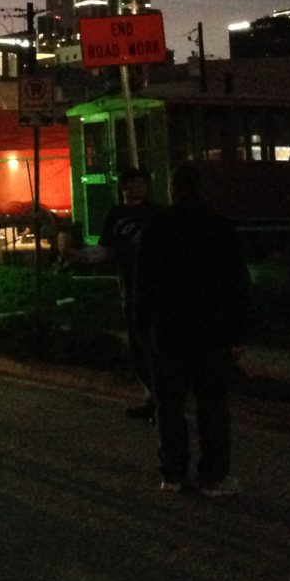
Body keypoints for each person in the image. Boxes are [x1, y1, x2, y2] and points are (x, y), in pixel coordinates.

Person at [133, 163, 251, 496]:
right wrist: (238, 333)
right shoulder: (220, 227)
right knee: (211, 404)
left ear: (173, 189)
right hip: (211, 329)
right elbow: (237, 284)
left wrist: (143, 327)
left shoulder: (156, 227)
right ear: (203, 189)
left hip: (168, 328)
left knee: (170, 404)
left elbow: (143, 283)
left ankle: (172, 473)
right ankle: (213, 476)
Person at [97, 166, 159, 421]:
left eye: (143, 182)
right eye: (135, 183)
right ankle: (152, 397)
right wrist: (78, 256)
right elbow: (105, 249)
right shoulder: (116, 214)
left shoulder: (156, 213)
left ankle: (160, 399)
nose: (141, 187)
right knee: (137, 344)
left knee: (154, 342)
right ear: (124, 187)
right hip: (130, 287)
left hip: (156, 287)